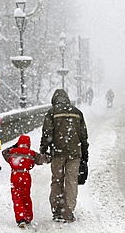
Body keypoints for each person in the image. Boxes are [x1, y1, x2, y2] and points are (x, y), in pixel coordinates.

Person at [39, 89, 89, 223]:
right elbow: (83, 135)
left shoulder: (52, 112)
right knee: (71, 181)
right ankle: (68, 210)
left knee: (57, 180)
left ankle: (56, 210)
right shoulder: (77, 112)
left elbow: (47, 133)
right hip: (74, 153)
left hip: (58, 152)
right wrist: (85, 153)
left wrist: (44, 148)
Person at [2, 135, 49, 228]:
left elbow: (4, 152)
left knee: (17, 197)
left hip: (15, 175)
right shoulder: (31, 154)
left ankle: (20, 218)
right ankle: (28, 217)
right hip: (26, 176)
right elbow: (41, 159)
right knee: (26, 196)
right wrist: (49, 157)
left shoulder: (12, 152)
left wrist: (14, 147)